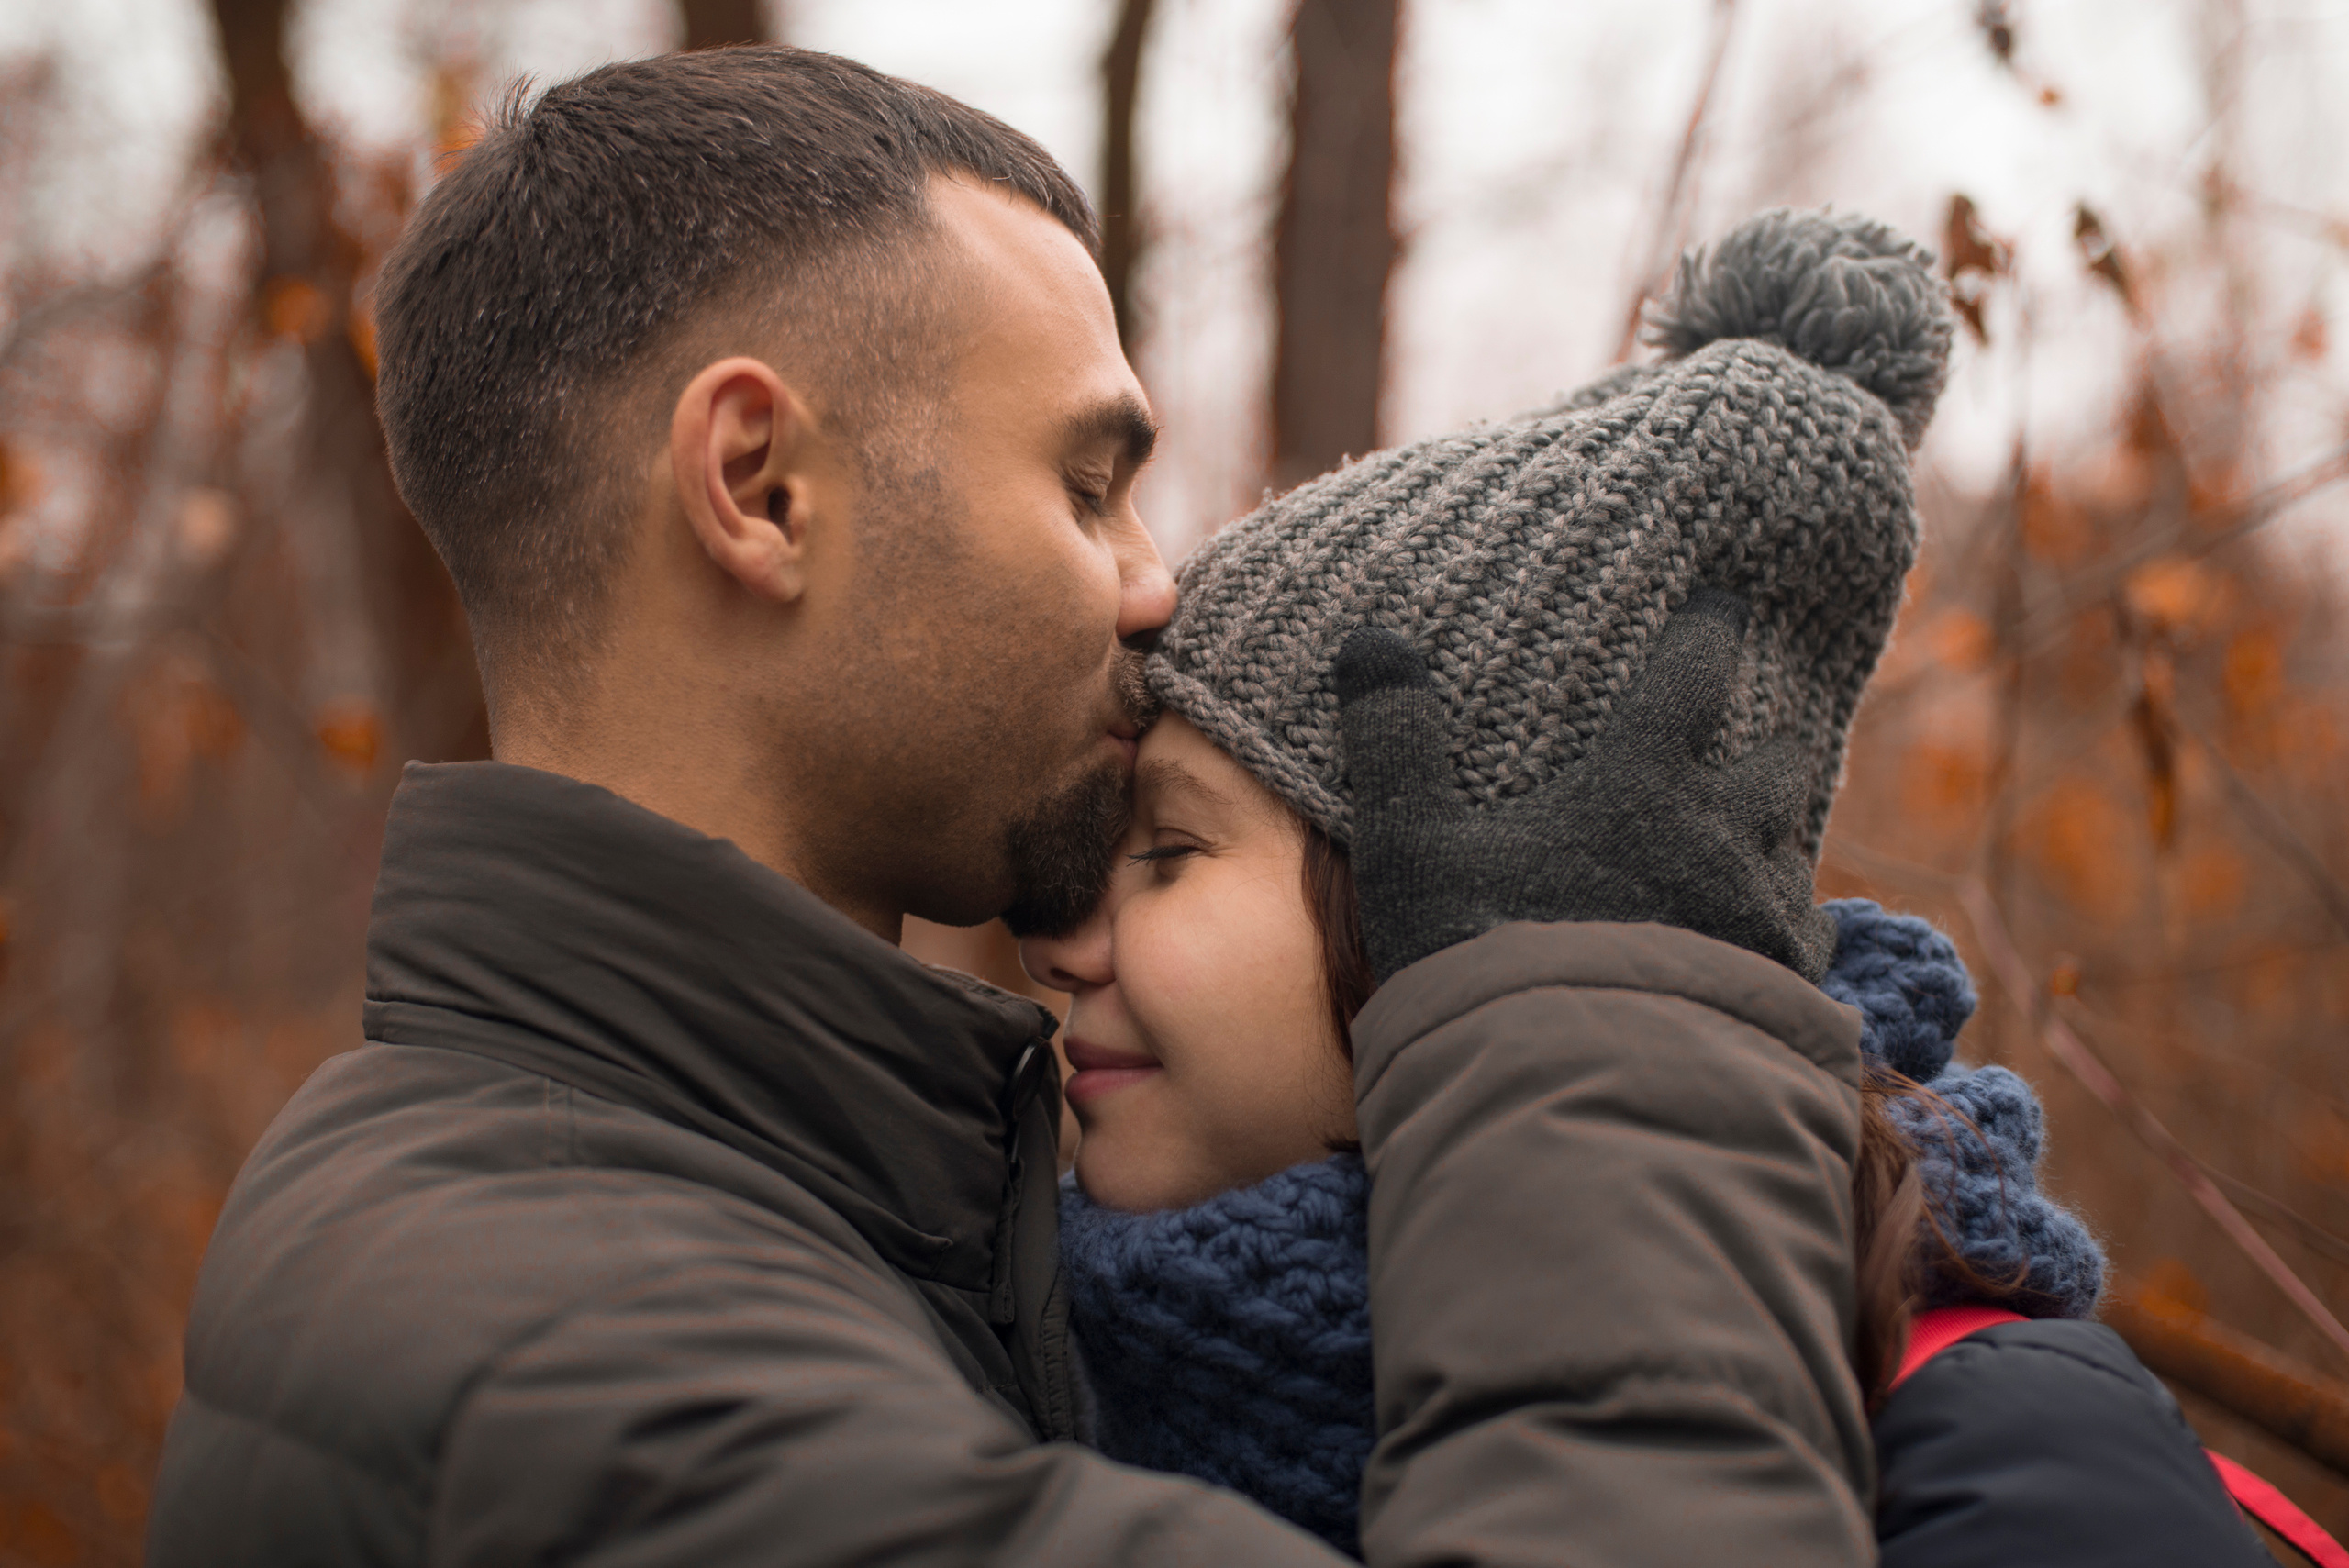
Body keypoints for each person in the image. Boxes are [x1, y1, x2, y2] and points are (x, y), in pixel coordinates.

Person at [147, 49, 1878, 1568]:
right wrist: (1610, 1043)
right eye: (1088, 483)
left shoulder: (734, 1198)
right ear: (759, 487)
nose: (1151, 583)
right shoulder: (606, 1379)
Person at [1029, 210, 2283, 1566]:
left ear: (1511, 909)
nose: (1061, 943)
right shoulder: (1067, 1376)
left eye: (1169, 851)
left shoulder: (2017, 1458)